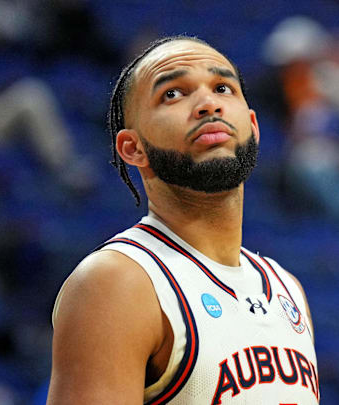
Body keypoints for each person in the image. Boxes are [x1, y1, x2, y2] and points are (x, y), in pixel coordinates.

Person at [47, 36, 318, 404]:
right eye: (173, 94)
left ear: (253, 126)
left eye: (223, 88)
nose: (208, 105)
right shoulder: (117, 283)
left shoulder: (288, 289)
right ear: (132, 147)